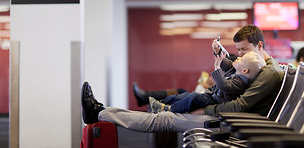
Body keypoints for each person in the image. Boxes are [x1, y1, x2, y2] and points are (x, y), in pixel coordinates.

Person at [82, 24, 284, 133]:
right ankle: (101, 111)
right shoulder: (258, 65)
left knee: (163, 120)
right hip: (223, 115)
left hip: (227, 122)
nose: (239, 55)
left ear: (259, 45)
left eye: (244, 50)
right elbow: (233, 70)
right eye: (238, 50)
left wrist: (205, 109)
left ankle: (101, 113)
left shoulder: (268, 73)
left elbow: (240, 106)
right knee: (167, 113)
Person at [149, 51, 265, 113]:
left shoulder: (240, 83)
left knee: (193, 97)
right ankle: (161, 103)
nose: (237, 58)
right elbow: (227, 66)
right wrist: (219, 54)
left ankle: (169, 109)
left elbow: (223, 85)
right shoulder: (237, 73)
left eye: (241, 59)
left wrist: (217, 68)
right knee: (185, 95)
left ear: (245, 70)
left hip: (214, 101)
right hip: (211, 95)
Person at [132, 71, 215, 106]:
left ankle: (144, 97)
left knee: (180, 91)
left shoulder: (219, 86)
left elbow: (206, 94)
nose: (211, 78)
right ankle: (145, 97)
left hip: (200, 99)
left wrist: (207, 84)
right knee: (180, 91)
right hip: (198, 97)